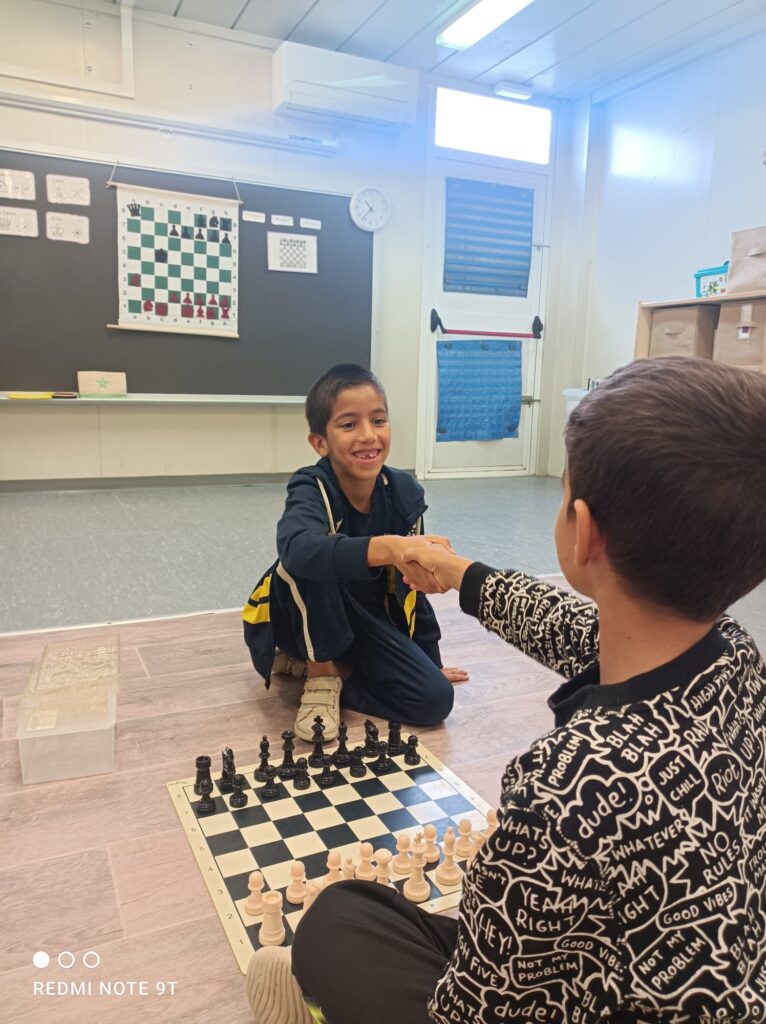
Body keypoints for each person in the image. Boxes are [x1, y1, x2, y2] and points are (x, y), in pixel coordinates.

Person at [246, 356, 766, 1023]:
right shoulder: (738, 658)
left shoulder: (568, 785)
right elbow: (571, 628)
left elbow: (470, 1010)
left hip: (571, 1000)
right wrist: (455, 570)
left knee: (336, 918)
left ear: (583, 530)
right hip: (672, 976)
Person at [243, 363, 466, 741]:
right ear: (320, 443)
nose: (368, 435)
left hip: (366, 620)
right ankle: (319, 674)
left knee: (435, 699)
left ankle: (338, 669)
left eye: (378, 420)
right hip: (302, 620)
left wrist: (429, 661)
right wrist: (390, 547)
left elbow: (414, 590)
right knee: (312, 557)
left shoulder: (404, 493)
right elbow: (297, 549)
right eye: (349, 425)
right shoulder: (312, 486)